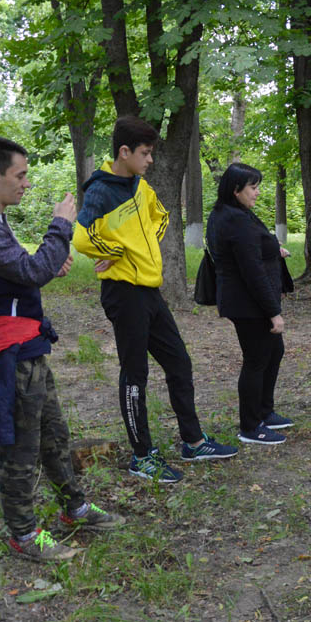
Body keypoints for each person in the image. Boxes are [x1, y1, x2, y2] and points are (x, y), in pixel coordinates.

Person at [0, 137, 125, 562]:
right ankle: (23, 535)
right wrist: (60, 226)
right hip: (8, 355)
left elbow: (20, 276)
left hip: (26, 346)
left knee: (53, 436)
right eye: (19, 175)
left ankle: (74, 509)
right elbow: (31, 270)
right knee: (20, 447)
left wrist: (45, 266)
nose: (25, 183)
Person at [73, 115, 237, 483]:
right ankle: (142, 456)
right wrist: (118, 252)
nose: (150, 160)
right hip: (123, 293)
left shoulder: (140, 186)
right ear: (124, 151)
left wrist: (136, 244)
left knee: (179, 362)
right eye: (145, 153)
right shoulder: (101, 190)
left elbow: (160, 218)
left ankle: (193, 442)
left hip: (149, 290)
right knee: (136, 375)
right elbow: (82, 238)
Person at [205, 162, 293, 446]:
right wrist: (273, 312)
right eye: (253, 187)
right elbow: (250, 269)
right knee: (256, 360)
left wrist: (274, 249)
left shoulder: (233, 214)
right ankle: (250, 426)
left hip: (247, 300)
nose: (257, 192)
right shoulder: (235, 220)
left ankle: (264, 411)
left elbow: (252, 247)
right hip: (248, 303)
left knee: (273, 351)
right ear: (236, 190)